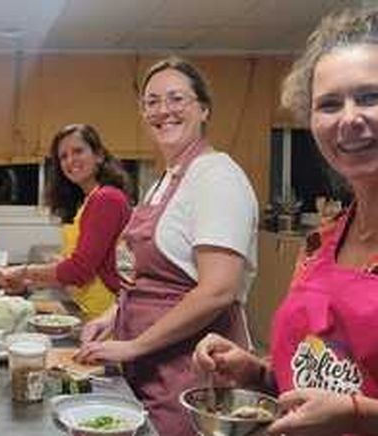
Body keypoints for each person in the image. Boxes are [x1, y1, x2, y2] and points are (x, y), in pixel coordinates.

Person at [194, 8, 378, 435]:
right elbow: (312, 371)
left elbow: (346, 401)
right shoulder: (319, 243)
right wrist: (258, 373)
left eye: (370, 97)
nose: (349, 117)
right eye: (329, 104)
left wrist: (358, 414)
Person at [74, 58, 259, 435]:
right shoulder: (166, 181)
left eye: (176, 99)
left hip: (192, 371)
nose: (163, 110)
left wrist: (134, 346)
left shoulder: (217, 176)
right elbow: (149, 278)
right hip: (152, 365)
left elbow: (217, 290)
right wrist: (112, 316)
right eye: (152, 102)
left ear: (204, 109)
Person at [0, 124, 132, 320]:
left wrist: (23, 271)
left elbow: (79, 270)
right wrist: (28, 284)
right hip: (87, 308)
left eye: (78, 151)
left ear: (99, 155)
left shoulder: (107, 199)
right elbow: (78, 269)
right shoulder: (89, 201)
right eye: (63, 156)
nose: (70, 160)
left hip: (106, 314)